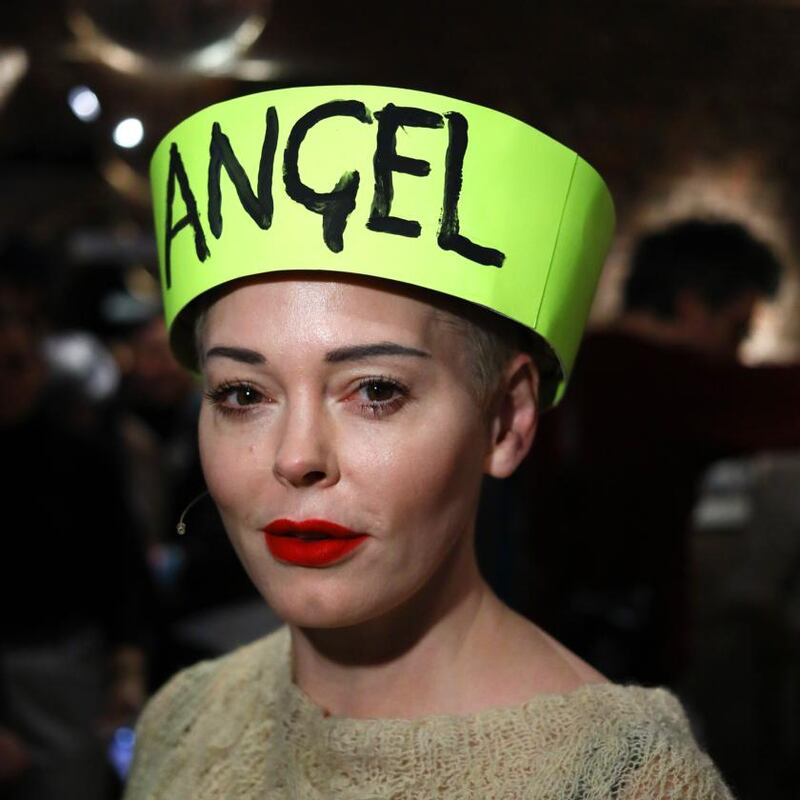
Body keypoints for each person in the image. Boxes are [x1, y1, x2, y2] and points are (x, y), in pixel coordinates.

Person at [123, 86, 732, 798]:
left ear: (506, 421)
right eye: (243, 394)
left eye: (376, 390)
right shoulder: (182, 721)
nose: (296, 458)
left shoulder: (622, 782)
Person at [523, 220, 800, 687]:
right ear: (691, 305)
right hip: (623, 663)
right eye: (738, 330)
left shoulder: (569, 365)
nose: (738, 354)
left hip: (537, 636)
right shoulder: (671, 382)